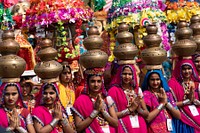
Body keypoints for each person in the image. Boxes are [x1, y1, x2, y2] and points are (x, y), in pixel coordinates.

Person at [71, 68, 118, 132]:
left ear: (102, 82)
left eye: (99, 81)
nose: (96, 85)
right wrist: (95, 111)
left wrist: (103, 112)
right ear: (87, 82)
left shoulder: (107, 99)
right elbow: (79, 127)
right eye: (93, 81)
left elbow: (115, 123)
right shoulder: (80, 101)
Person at [108, 64, 148, 133]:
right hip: (123, 127)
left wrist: (138, 109)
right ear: (120, 74)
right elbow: (111, 115)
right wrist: (129, 110)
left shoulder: (137, 90)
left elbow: (146, 113)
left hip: (140, 127)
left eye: (130, 74)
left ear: (133, 75)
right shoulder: (113, 91)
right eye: (124, 74)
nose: (127, 77)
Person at [168, 58, 200, 132]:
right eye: (184, 69)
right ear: (180, 70)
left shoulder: (197, 84)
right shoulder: (173, 84)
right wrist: (186, 102)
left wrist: (195, 101)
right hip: (182, 118)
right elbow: (170, 104)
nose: (187, 71)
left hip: (197, 115)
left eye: (189, 68)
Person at [58, 62, 75, 126]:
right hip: (63, 120)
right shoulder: (59, 88)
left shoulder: (71, 90)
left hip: (72, 119)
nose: (67, 75)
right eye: (64, 73)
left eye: (69, 73)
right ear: (60, 75)